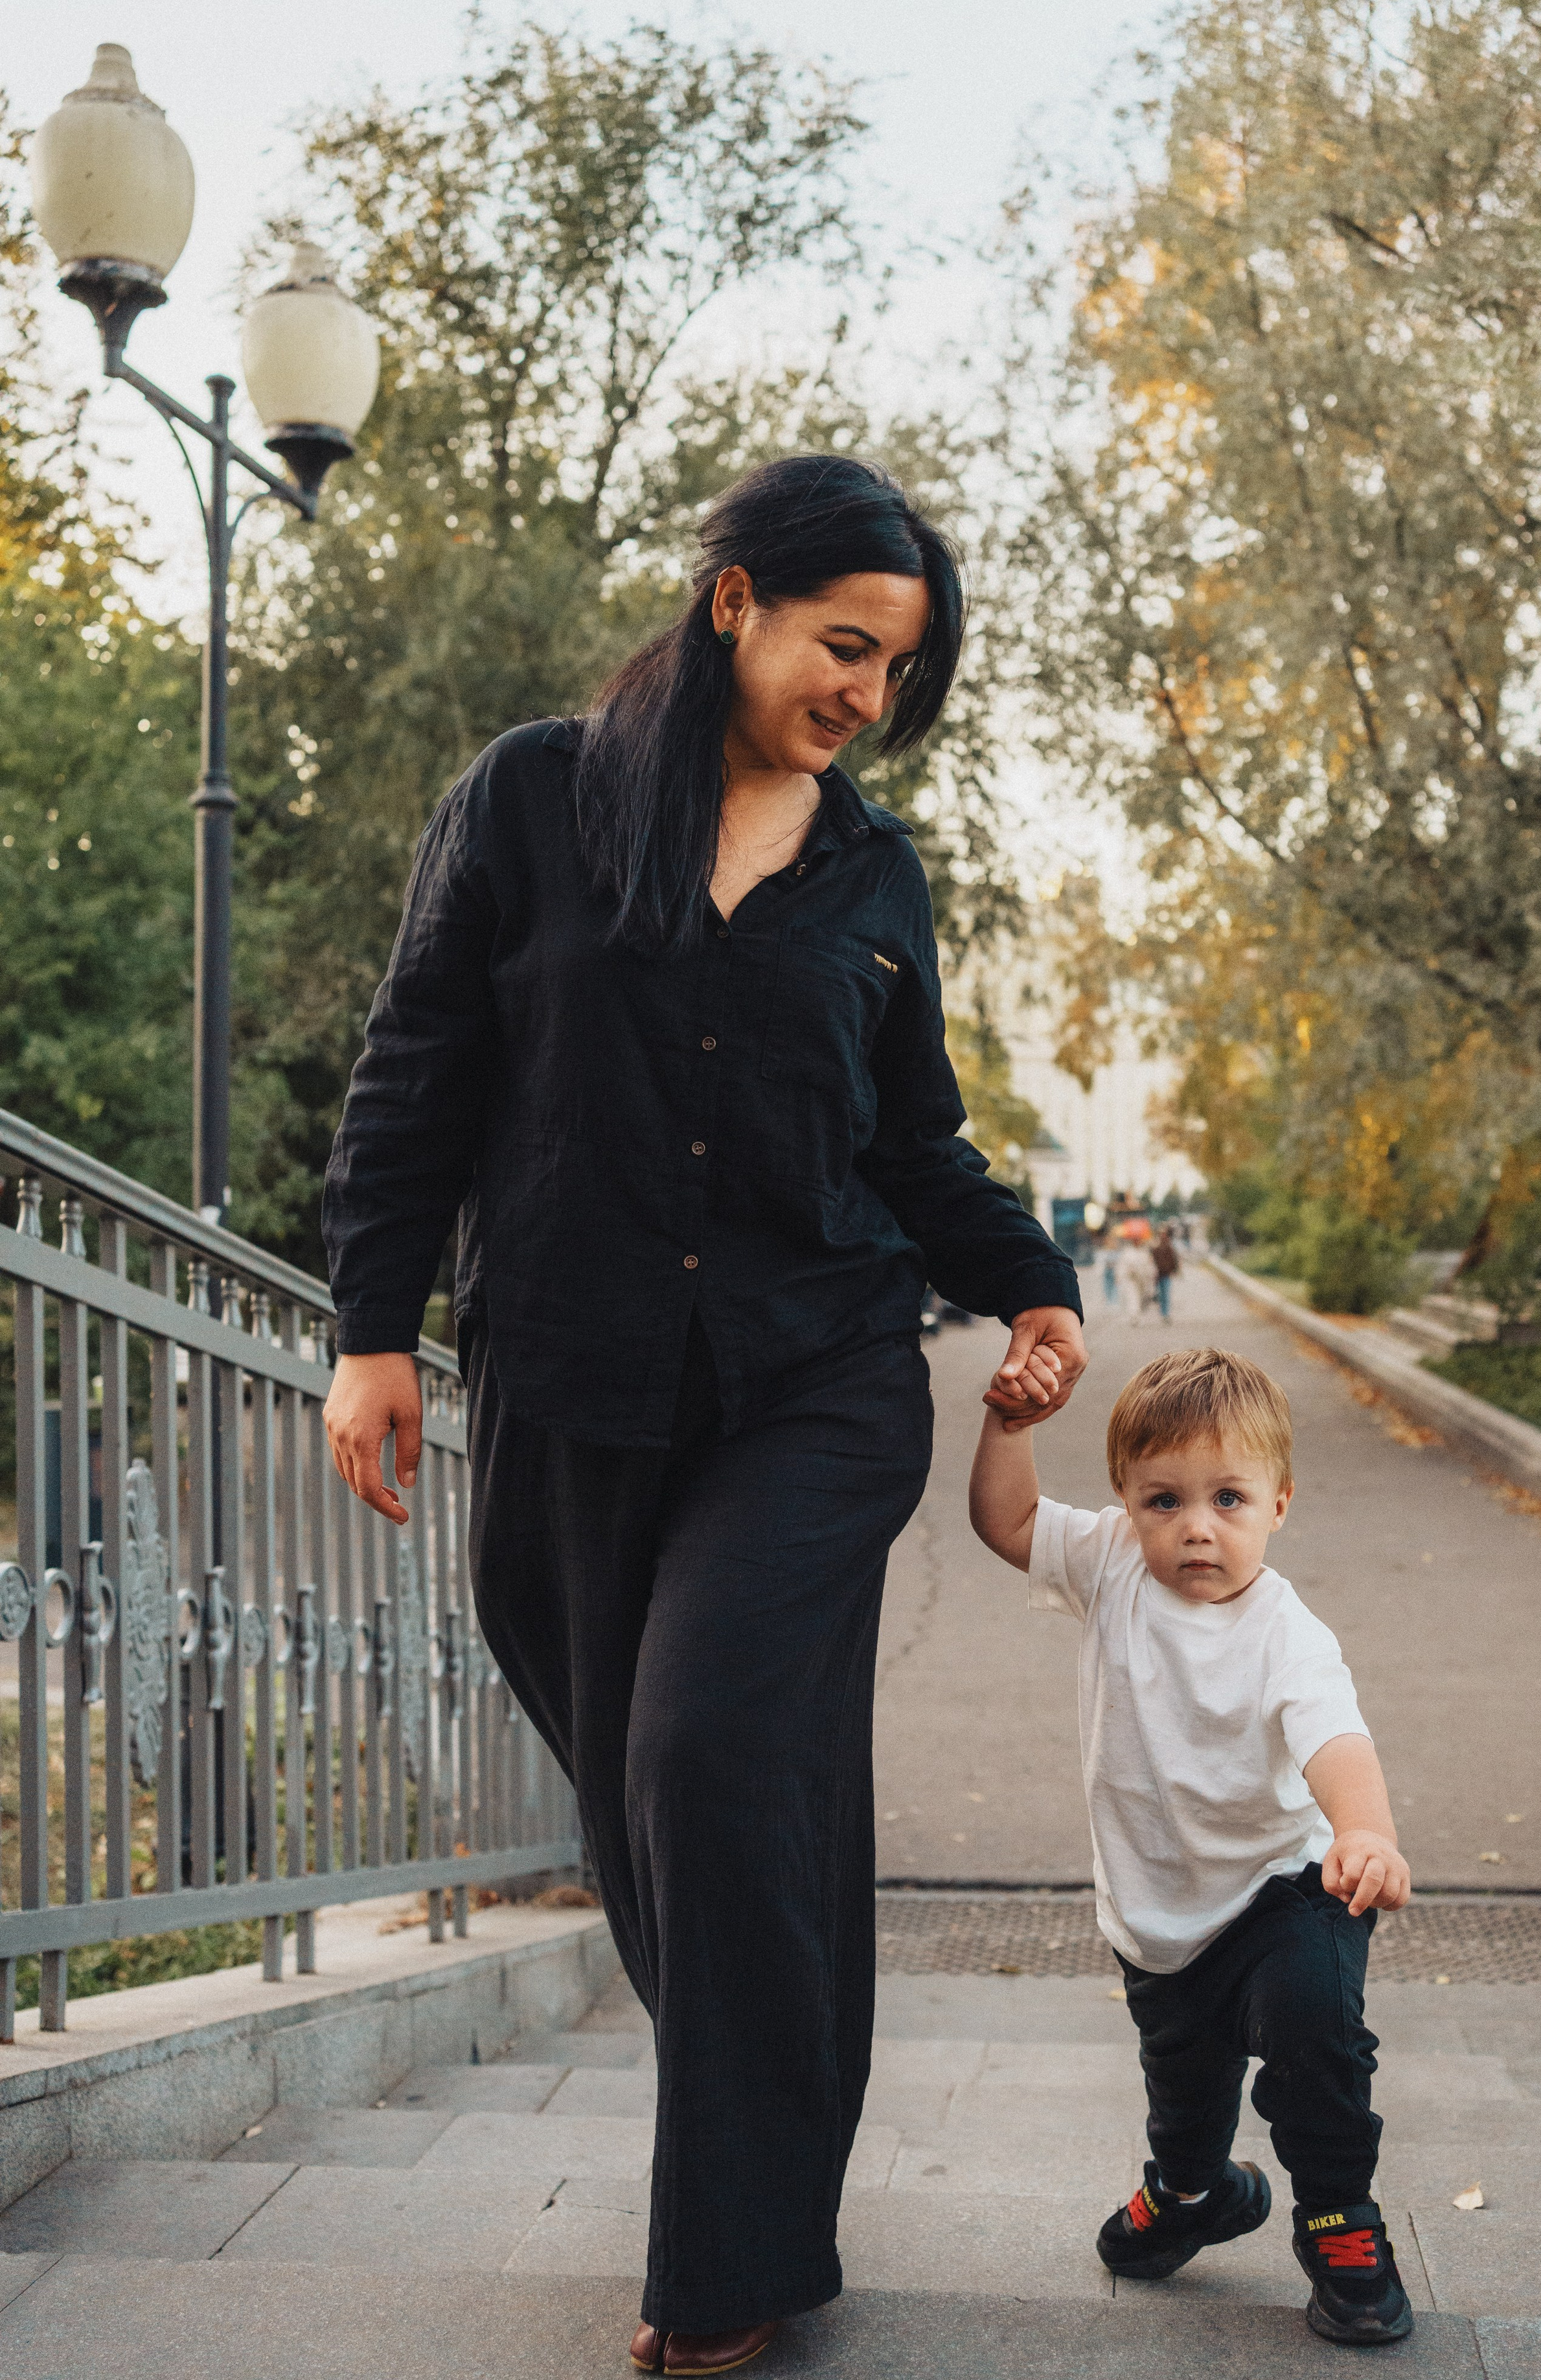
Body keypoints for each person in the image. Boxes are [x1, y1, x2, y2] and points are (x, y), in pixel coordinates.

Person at [321, 455, 1088, 2377]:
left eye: (900, 671)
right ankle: (778, 2134)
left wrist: (1035, 1281)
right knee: (681, 1828)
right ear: (734, 598)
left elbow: (914, 1140)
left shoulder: (873, 871)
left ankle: (727, 2264)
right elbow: (419, 1061)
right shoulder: (531, 798)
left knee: (702, 1756)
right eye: (847, 646)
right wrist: (368, 1328)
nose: (867, 696)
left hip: (814, 1382)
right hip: (573, 1380)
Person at [967, 1346, 1414, 2347]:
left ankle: (1342, 2220)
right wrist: (1009, 1427)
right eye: (1164, 1500)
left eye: (1229, 1499)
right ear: (1125, 1500)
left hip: (1288, 1889)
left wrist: (1365, 1830)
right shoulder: (1111, 1561)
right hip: (1161, 1920)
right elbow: (1009, 1523)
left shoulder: (1285, 1629)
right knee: (1186, 2088)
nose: (1196, 1527)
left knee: (1317, 2038)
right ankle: (1192, 2191)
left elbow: (1336, 1736)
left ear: (1279, 1505)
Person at [1150, 1224, 1180, 1322]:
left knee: (1166, 1294)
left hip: (1166, 1274)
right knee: (1160, 1294)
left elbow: (1174, 1259)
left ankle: (1165, 1314)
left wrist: (1175, 1270)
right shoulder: (1155, 1246)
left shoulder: (1170, 1246)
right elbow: (1151, 1259)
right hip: (1157, 1274)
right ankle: (1163, 1312)